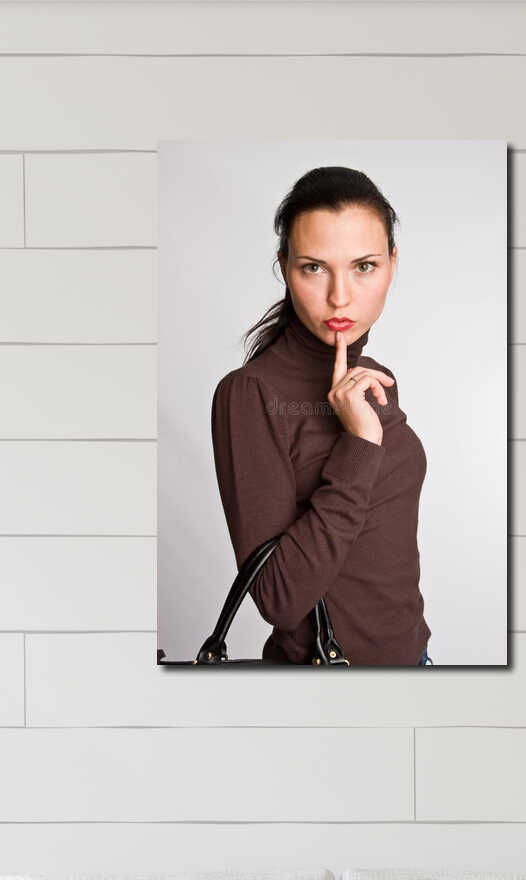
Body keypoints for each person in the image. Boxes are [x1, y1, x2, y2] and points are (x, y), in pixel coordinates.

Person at [209, 167, 431, 666]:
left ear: (392, 264)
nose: (339, 296)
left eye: (364, 266)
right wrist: (360, 446)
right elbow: (279, 599)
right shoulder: (251, 395)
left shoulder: (372, 378)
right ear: (285, 267)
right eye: (314, 268)